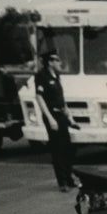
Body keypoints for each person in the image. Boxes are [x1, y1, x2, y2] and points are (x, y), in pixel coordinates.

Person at [35, 50, 78, 191]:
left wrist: (70, 118)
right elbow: (40, 98)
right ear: (50, 62)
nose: (60, 63)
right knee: (57, 149)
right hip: (52, 116)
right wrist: (50, 119)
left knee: (68, 148)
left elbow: (62, 99)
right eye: (57, 60)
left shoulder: (57, 76)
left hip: (62, 115)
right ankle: (62, 182)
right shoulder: (41, 76)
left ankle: (69, 177)